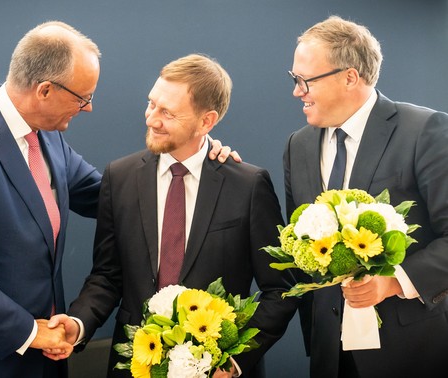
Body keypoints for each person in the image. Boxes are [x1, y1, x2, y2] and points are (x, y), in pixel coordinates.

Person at [0, 21, 234, 378]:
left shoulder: (47, 137)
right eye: (82, 97)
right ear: (45, 90)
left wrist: (195, 161)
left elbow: (117, 198)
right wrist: (29, 331)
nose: (88, 108)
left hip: (45, 356)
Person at [51, 53, 299, 378]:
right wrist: (77, 323)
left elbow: (281, 288)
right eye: (151, 104)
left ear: (206, 121)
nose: (152, 119)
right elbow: (107, 276)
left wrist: (235, 359)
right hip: (135, 366)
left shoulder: (249, 186)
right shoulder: (120, 177)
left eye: (167, 112)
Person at [284, 15, 448, 378]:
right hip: (329, 356)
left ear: (349, 77)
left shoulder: (426, 131)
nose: (297, 91)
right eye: (294, 79)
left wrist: (393, 282)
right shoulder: (299, 146)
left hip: (412, 353)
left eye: (304, 80)